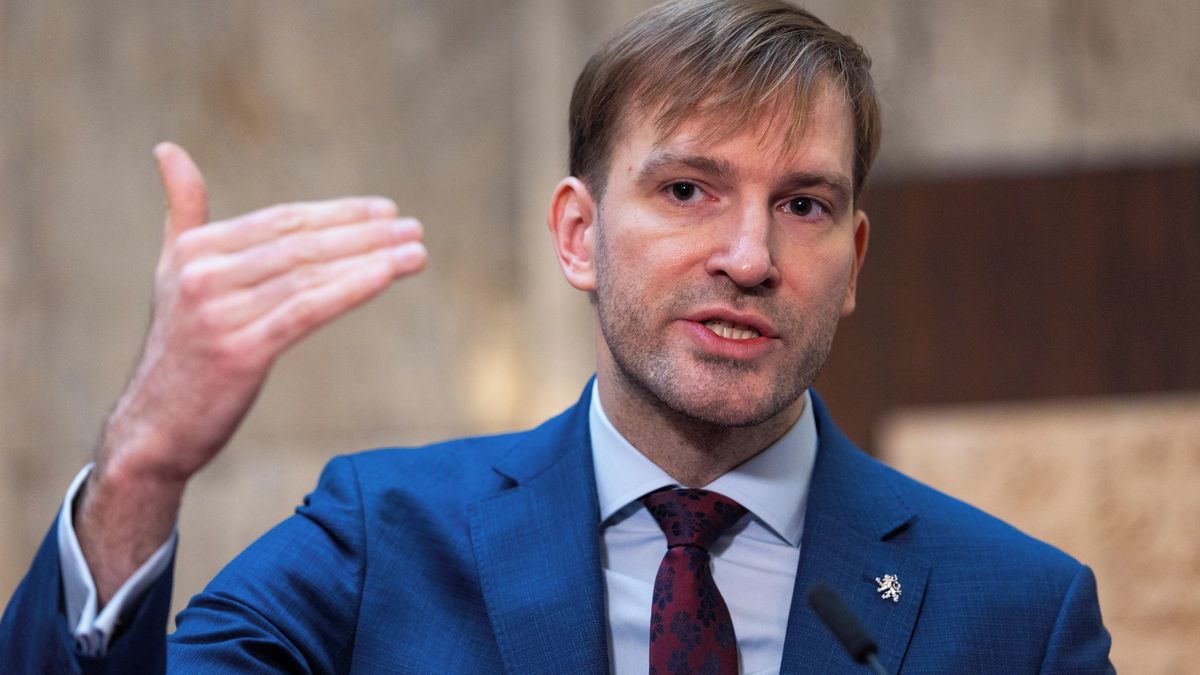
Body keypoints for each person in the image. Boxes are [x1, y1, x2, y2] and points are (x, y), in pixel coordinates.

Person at [1, 1, 1114, 672]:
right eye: (687, 190)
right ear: (580, 236)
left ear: (854, 261)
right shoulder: (380, 541)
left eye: (804, 204)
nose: (749, 256)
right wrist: (141, 465)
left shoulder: (1017, 611)